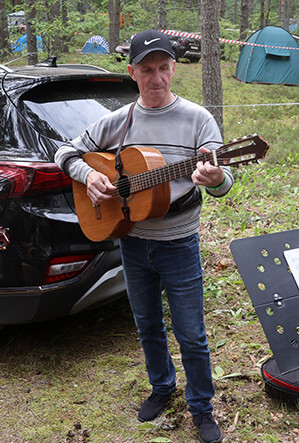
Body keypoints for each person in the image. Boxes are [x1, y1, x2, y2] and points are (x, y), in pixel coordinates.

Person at [54, 29, 231, 443]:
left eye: (164, 68)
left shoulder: (197, 119)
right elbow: (65, 152)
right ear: (132, 73)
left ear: (174, 69)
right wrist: (90, 176)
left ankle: (201, 407)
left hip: (179, 243)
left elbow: (223, 180)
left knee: (191, 333)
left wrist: (217, 178)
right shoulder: (119, 120)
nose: (157, 78)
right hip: (132, 240)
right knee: (148, 324)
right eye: (147, 70)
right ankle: (162, 387)